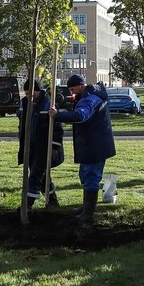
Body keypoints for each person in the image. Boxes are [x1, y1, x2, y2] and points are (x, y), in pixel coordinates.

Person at [52, 73, 116, 223]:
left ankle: (88, 212)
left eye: (73, 90)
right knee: (85, 174)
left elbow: (81, 116)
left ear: (81, 86)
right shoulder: (94, 94)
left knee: (91, 176)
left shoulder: (90, 99)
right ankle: (85, 207)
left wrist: (57, 115)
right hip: (94, 142)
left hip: (94, 144)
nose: (72, 93)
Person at [17, 79, 65, 210]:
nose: (29, 97)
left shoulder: (48, 104)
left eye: (32, 93)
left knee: (36, 174)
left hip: (44, 146)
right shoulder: (23, 104)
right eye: (26, 93)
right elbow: (21, 123)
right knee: (40, 175)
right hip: (30, 146)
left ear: (38, 91)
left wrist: (54, 146)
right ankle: (53, 201)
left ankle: (28, 204)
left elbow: (57, 128)